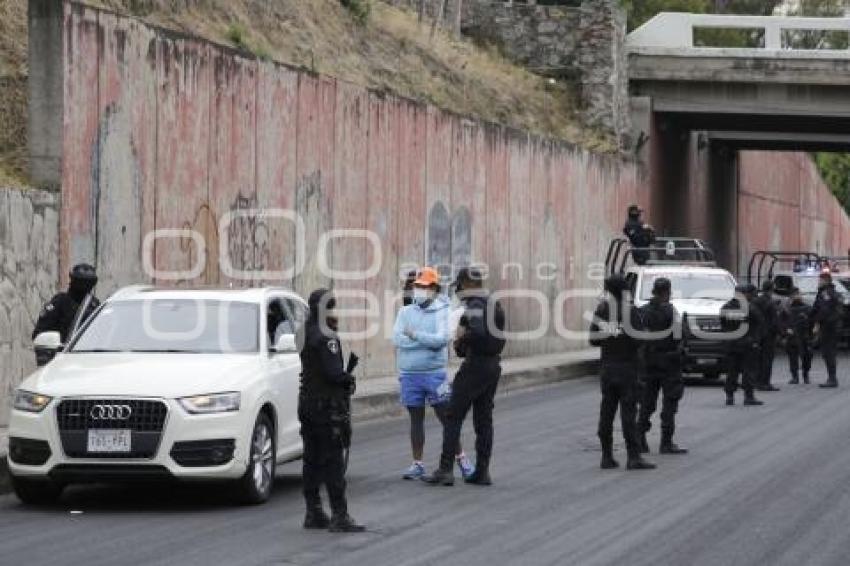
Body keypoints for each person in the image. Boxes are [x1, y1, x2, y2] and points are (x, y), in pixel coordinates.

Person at [424, 267, 506, 487]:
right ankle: (482, 471)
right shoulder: (493, 302)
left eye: (459, 286)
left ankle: (445, 469)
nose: (458, 291)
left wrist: (462, 340)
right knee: (483, 419)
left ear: (467, 284)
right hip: (492, 365)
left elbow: (477, 332)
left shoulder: (475, 304)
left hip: (476, 366)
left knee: (452, 415)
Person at [393, 267, 473, 481]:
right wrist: (421, 341)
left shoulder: (443, 312)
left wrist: (415, 336)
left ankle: (462, 459)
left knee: (446, 417)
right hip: (409, 374)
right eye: (417, 286)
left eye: (425, 286)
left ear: (435, 289)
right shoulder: (405, 312)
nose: (419, 289)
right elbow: (398, 340)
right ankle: (417, 463)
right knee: (415, 420)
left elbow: (440, 342)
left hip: (434, 375)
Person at [297, 289, 365, 533]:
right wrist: (348, 379)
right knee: (333, 461)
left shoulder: (304, 331)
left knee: (312, 459)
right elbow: (334, 373)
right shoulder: (327, 337)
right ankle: (340, 515)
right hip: (326, 407)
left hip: (307, 403)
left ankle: (313, 511)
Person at [589, 274, 656, 470]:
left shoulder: (602, 310)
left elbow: (593, 340)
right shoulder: (630, 311)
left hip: (608, 368)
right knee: (628, 414)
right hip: (628, 368)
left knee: (607, 413)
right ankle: (633, 457)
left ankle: (606, 456)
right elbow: (639, 340)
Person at [636, 277, 688, 455]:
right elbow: (680, 335)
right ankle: (666, 443)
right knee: (670, 403)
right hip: (668, 363)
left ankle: (640, 439)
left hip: (648, 364)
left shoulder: (641, 312)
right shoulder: (671, 312)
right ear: (667, 291)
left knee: (647, 403)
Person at [32, 263, 100, 365]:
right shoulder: (59, 302)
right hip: (62, 361)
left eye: (87, 283)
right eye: (80, 282)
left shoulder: (95, 306)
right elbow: (40, 334)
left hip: (89, 363)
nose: (83, 286)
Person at [720, 284, 764, 406]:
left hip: (731, 344)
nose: (751, 296)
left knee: (732, 371)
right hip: (747, 344)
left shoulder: (726, 307)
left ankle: (730, 396)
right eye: (750, 294)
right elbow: (759, 321)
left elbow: (723, 324)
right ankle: (748, 396)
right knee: (748, 371)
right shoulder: (749, 308)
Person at [811, 272, 842, 388]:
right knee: (828, 352)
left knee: (828, 352)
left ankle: (832, 379)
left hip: (829, 326)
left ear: (826, 281)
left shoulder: (825, 293)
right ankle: (832, 378)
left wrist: (817, 322)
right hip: (830, 326)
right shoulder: (827, 292)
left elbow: (824, 310)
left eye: (820, 280)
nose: (819, 282)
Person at [752, 280, 780, 392]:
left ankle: (758, 381)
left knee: (759, 359)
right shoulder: (771, 303)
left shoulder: (756, 301)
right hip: (768, 335)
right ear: (771, 289)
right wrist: (781, 333)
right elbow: (774, 321)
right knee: (767, 359)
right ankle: (765, 383)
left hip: (758, 334)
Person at [781, 288, 812, 385]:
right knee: (793, 357)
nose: (797, 296)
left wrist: (812, 331)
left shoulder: (807, 307)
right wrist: (785, 331)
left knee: (806, 357)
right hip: (792, 336)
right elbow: (781, 322)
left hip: (804, 336)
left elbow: (812, 320)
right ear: (790, 297)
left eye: (798, 294)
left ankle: (805, 375)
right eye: (794, 295)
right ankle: (795, 377)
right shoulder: (786, 309)